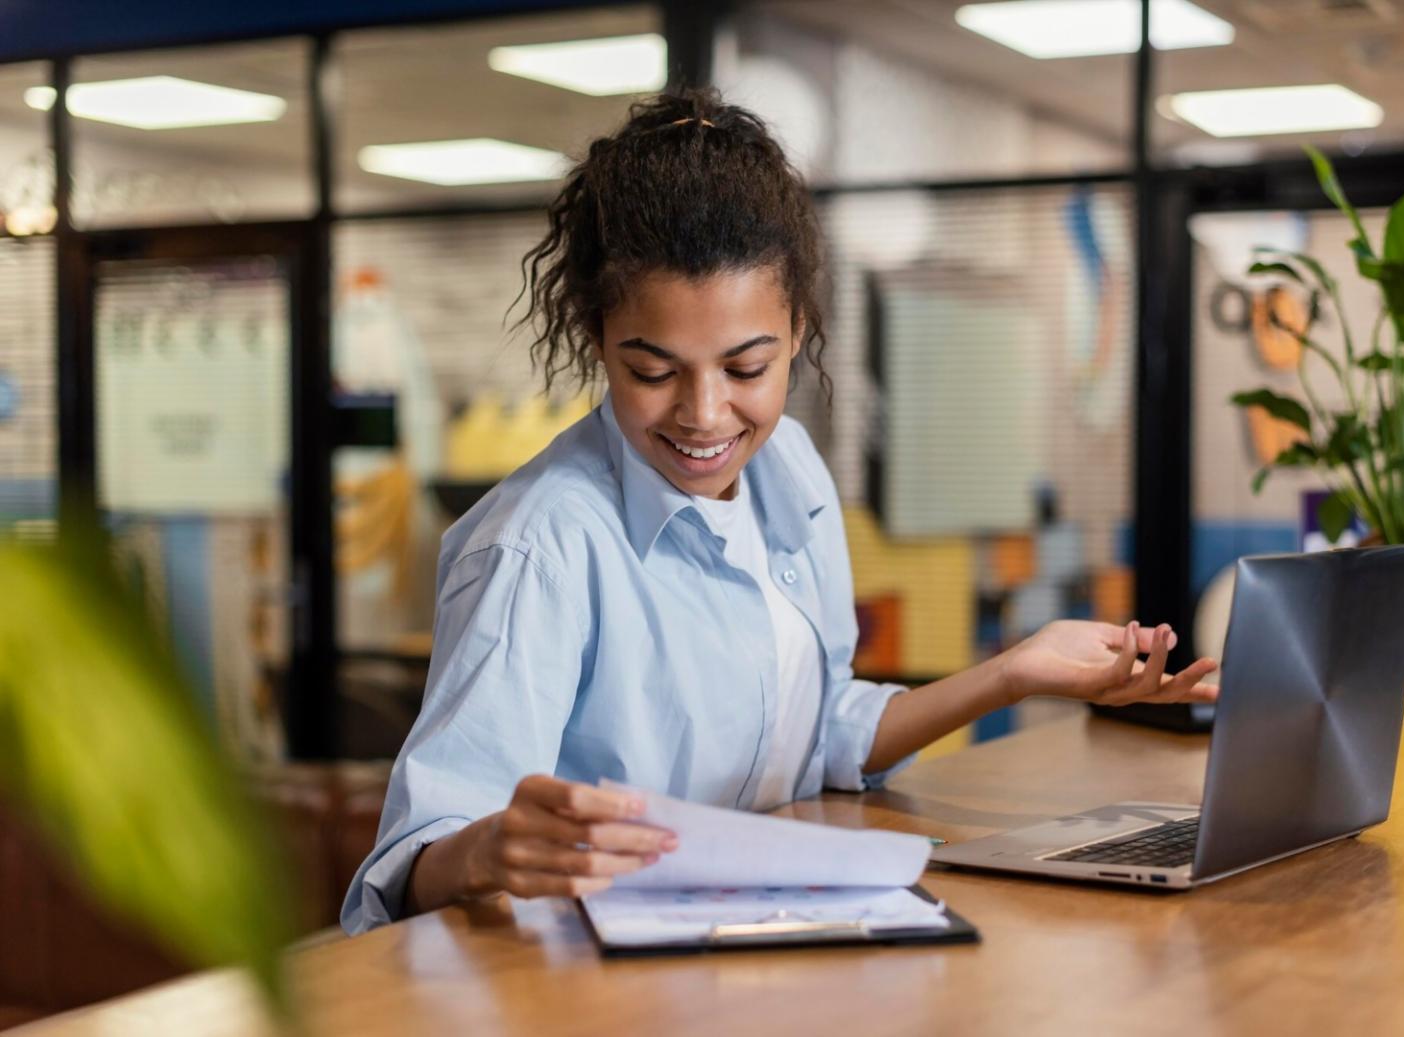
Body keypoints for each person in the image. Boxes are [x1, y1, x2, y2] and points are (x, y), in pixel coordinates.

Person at [341, 90, 1218, 935]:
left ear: (798, 328)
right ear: (598, 339)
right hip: (584, 977)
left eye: (746, 368)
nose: (704, 414)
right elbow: (413, 866)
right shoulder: (537, 546)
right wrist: (485, 849)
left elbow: (822, 725)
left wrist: (1012, 673)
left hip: (756, 936)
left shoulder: (788, 464)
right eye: (653, 371)